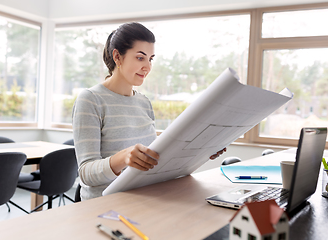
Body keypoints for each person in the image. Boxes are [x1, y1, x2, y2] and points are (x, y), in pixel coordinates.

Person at [72, 22, 226, 201]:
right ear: (117, 57)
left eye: (151, 59)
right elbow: (86, 174)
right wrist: (123, 158)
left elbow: (155, 163)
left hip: (145, 197)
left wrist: (201, 150)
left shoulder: (144, 102)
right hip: (106, 204)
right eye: (140, 58)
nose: (148, 66)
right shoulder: (90, 99)